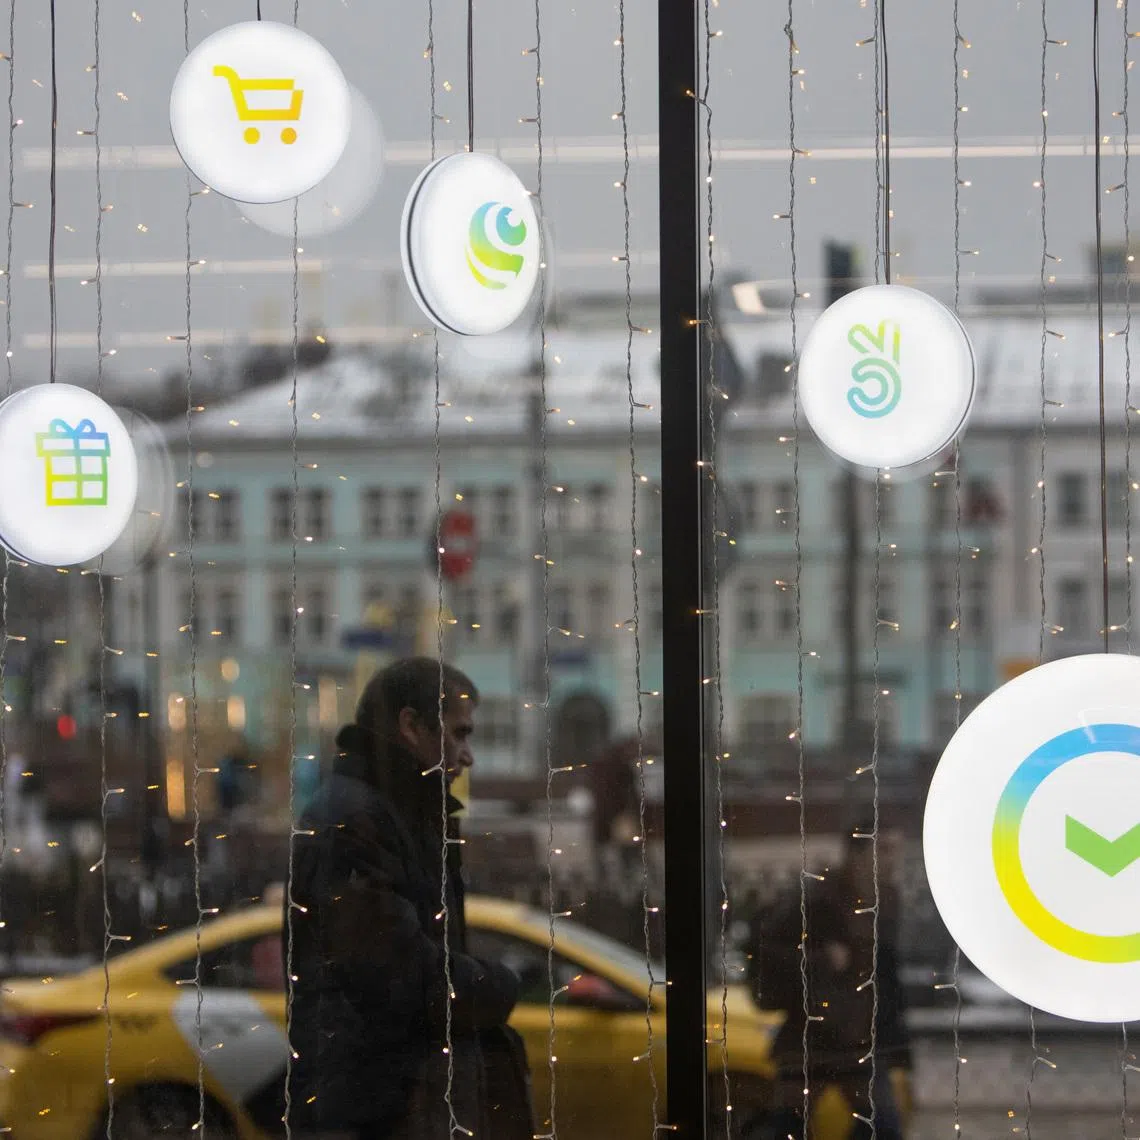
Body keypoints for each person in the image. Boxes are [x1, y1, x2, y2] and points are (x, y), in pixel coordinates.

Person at [285, 657, 534, 1139]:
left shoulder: (397, 813)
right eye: (459, 734)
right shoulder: (356, 819)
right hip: (371, 1112)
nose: (468, 756)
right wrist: (499, 984)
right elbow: (398, 972)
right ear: (412, 726)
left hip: (386, 1103)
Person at [746, 824, 913, 1140]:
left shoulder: (887, 898)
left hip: (858, 1038)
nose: (892, 860)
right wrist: (821, 959)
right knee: (788, 1124)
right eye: (884, 850)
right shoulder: (819, 896)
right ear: (858, 854)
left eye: (895, 851)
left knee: (881, 1124)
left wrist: (893, 1034)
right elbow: (767, 950)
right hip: (813, 1034)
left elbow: (885, 973)